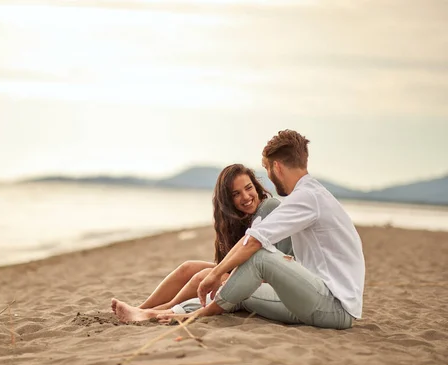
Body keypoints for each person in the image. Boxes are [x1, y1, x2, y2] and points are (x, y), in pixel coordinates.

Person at [154, 130, 365, 330]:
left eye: (267, 169)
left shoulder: (307, 197)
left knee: (256, 259)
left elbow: (255, 241)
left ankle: (190, 313)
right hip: (321, 301)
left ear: (277, 167)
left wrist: (216, 274)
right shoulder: (313, 194)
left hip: (333, 308)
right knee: (234, 288)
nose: (269, 176)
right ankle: (166, 310)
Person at [111, 164, 293, 321]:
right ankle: (141, 307)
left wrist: (217, 274)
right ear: (228, 200)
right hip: (251, 274)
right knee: (188, 267)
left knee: (203, 276)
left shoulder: (269, 207)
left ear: (256, 186)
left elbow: (266, 258)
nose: (245, 197)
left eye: (248, 188)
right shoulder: (240, 219)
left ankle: (155, 311)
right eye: (236, 193)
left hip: (273, 281)